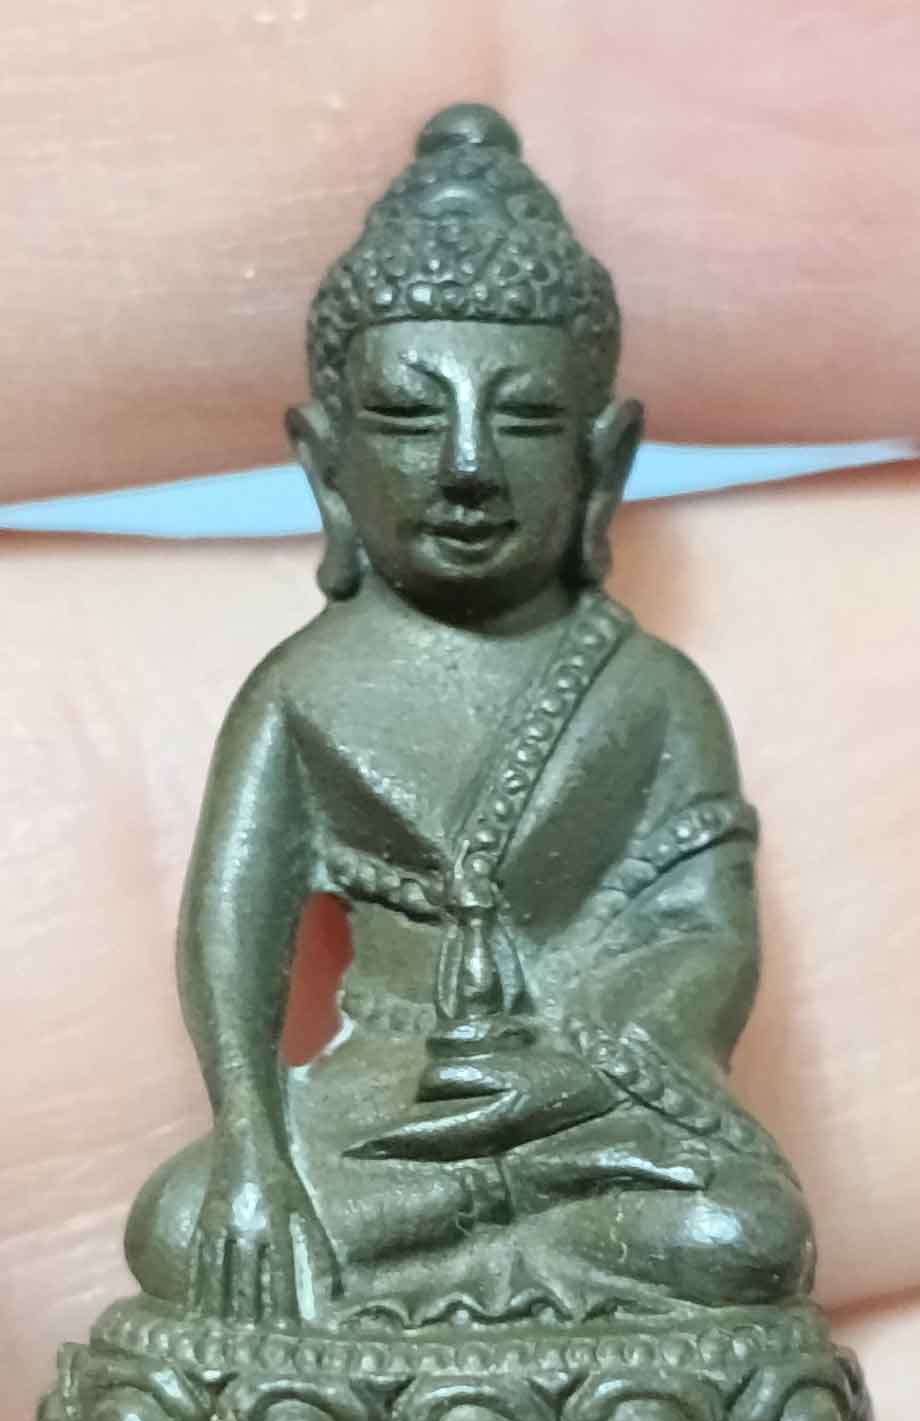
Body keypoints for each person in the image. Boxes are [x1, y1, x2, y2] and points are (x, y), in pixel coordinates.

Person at [124, 108, 814, 1326]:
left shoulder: (653, 693)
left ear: (604, 459)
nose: (463, 466)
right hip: (380, 1108)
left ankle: (468, 1296)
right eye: (405, 418)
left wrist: (573, 1071)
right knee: (184, 1227)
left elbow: (705, 938)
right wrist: (248, 1142)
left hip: (586, 1107)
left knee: (742, 1236)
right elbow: (229, 933)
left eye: (524, 420)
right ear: (324, 461)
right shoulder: (297, 692)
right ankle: (510, 1297)